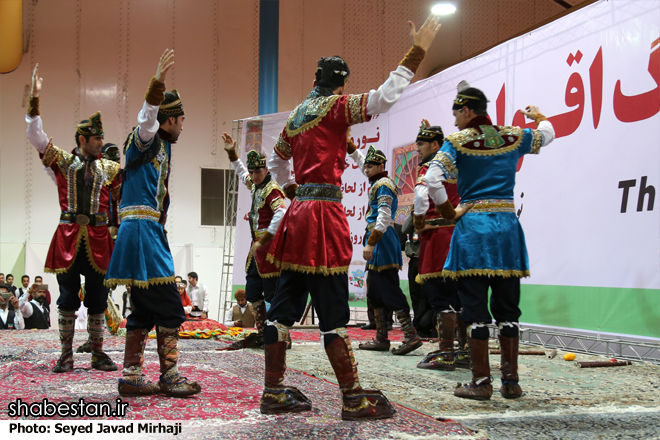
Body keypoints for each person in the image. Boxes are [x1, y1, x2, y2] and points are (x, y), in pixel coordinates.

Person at [262, 15, 441, 420]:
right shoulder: (336, 108)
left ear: (315, 79)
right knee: (333, 312)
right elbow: (381, 99)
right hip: (323, 217)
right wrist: (416, 52)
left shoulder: (295, 116)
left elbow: (276, 162)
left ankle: (272, 391)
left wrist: (291, 189)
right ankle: (352, 396)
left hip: (297, 215)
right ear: (340, 83)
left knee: (283, 308)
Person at [425, 81, 555, 400]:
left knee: (475, 308)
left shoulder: (457, 141)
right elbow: (548, 134)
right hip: (507, 229)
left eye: (457, 113)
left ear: (468, 111)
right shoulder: (512, 136)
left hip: (473, 231)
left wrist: (449, 211)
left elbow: (431, 177)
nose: (454, 120)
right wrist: (539, 116)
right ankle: (511, 382)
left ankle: (481, 384)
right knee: (509, 308)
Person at [105, 49, 201, 398]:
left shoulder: (163, 147)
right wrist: (156, 88)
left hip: (141, 229)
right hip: (143, 230)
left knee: (144, 306)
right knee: (171, 307)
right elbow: (147, 121)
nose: (182, 127)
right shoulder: (145, 139)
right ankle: (170, 376)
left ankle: (131, 377)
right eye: (181, 120)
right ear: (169, 119)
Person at [26, 64, 120, 373]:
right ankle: (65, 354)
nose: (100, 143)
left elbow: (127, 191)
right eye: (96, 139)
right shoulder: (63, 162)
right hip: (68, 235)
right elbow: (36, 137)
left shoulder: (108, 168)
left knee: (97, 296)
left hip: (99, 238)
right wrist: (35, 100)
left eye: (101, 139)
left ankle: (97, 353)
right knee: (67, 296)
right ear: (83, 139)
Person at [349, 146, 422, 355]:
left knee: (388, 287)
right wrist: (351, 148)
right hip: (378, 238)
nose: (366, 169)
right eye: (367, 166)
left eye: (371, 166)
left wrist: (371, 242)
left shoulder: (383, 185)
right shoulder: (377, 180)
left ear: (381, 166)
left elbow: (383, 215)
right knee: (375, 290)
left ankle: (411, 335)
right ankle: (382, 338)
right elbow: (362, 161)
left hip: (382, 239)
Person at [410, 122, 467, 371]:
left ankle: (446, 353)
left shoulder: (432, 167)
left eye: (421, 144)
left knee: (441, 296)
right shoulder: (460, 165)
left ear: (435, 144)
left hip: (438, 237)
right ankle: (465, 351)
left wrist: (418, 223)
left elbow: (422, 196)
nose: (418, 150)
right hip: (460, 235)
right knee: (462, 295)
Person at [222, 134, 286, 344]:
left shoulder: (272, 189)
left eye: (258, 171)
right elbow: (241, 173)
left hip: (270, 249)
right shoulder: (256, 185)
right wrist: (232, 153)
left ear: (266, 170)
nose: (254, 175)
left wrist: (267, 236)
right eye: (252, 171)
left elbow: (281, 213)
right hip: (256, 250)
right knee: (252, 291)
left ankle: (280, 335)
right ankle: (261, 332)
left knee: (273, 295)